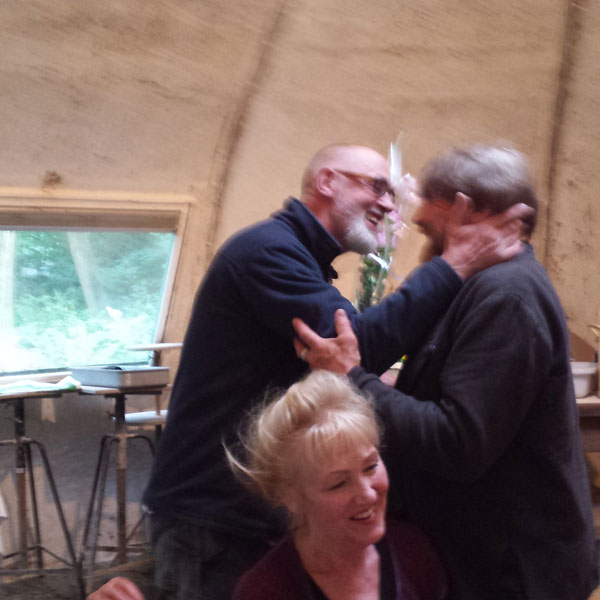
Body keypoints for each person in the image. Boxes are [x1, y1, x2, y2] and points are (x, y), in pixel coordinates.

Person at [140, 143, 531, 599]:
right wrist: (455, 262)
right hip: (211, 520)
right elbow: (360, 348)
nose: (389, 205)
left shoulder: (298, 256)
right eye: (377, 187)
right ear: (327, 182)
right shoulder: (266, 251)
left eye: (391, 193)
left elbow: (335, 364)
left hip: (239, 514)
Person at [292, 144, 598, 600]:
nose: (416, 217)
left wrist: (354, 378)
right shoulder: (481, 285)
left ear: (467, 208)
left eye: (429, 201)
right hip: (484, 560)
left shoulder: (506, 296)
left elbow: (457, 443)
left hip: (514, 574)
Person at [229, 369, 448, 600]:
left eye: (370, 466)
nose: (367, 494)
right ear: (290, 496)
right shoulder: (265, 591)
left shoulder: (413, 552)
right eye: (338, 484)